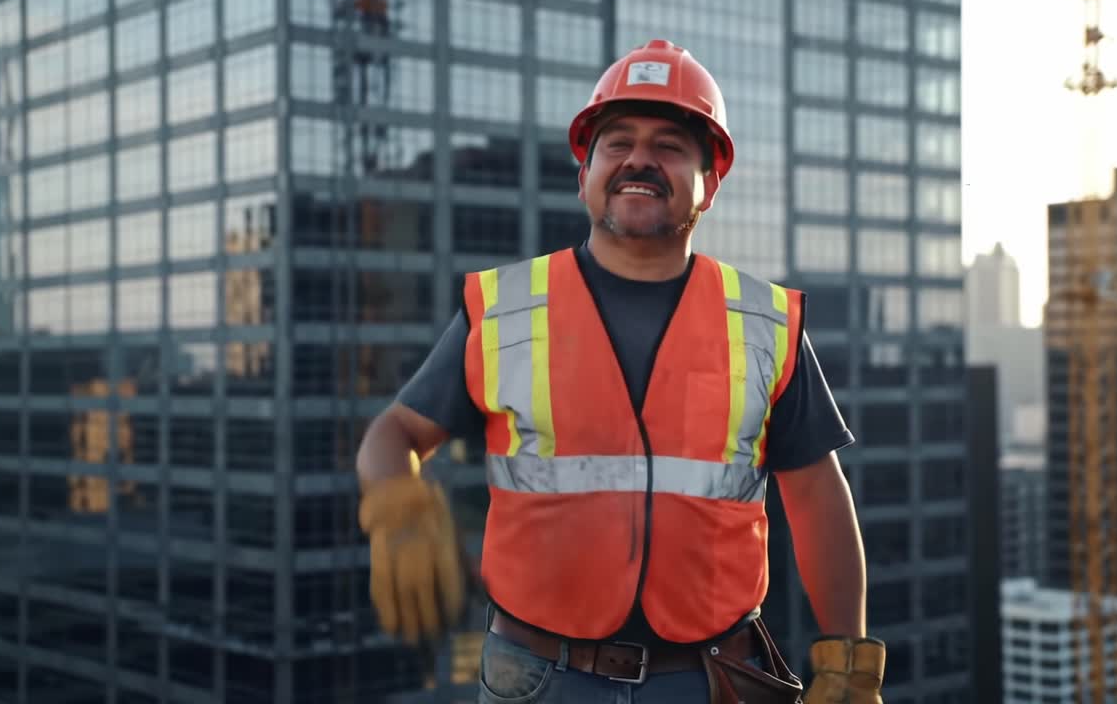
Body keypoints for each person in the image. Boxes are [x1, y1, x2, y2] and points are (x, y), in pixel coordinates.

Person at [357, 39, 886, 704]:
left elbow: (816, 497)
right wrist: (394, 502)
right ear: (585, 175)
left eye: (669, 144)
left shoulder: (766, 324)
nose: (640, 158)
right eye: (618, 143)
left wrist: (848, 661)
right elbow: (396, 431)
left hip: (709, 680)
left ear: (709, 182)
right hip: (537, 678)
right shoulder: (504, 310)